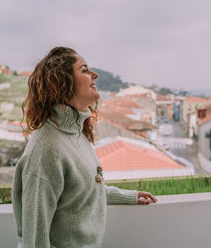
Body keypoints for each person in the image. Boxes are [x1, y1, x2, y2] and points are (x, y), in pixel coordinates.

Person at [12, 47, 157, 248]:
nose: (94, 75)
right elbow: (34, 239)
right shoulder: (46, 150)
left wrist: (128, 196)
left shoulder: (76, 134)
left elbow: (83, 190)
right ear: (62, 82)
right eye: (85, 70)